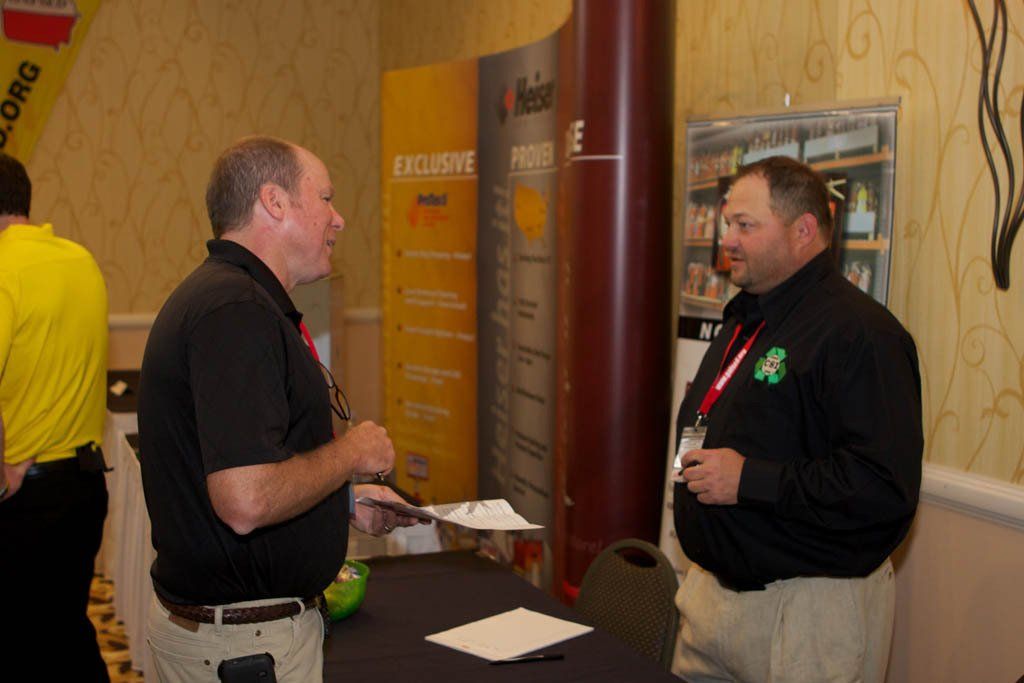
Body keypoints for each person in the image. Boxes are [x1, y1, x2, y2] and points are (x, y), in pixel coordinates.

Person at [139, 136, 423, 683]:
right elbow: (244, 500)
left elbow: (242, 470)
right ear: (274, 202)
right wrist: (352, 453)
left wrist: (338, 501)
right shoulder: (236, 311)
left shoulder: (233, 299)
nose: (338, 220)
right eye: (325, 198)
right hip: (244, 648)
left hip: (237, 639)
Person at [672, 155, 922, 683]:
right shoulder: (747, 319)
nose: (728, 240)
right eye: (727, 225)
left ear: (803, 230)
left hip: (805, 616)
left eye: (746, 225)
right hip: (709, 603)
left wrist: (751, 480)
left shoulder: (860, 335)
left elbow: (882, 489)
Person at [0, 152, 111, 682]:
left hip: (23, 496)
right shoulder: (79, 260)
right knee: (65, 634)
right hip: (85, 488)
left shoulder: (2, 269)